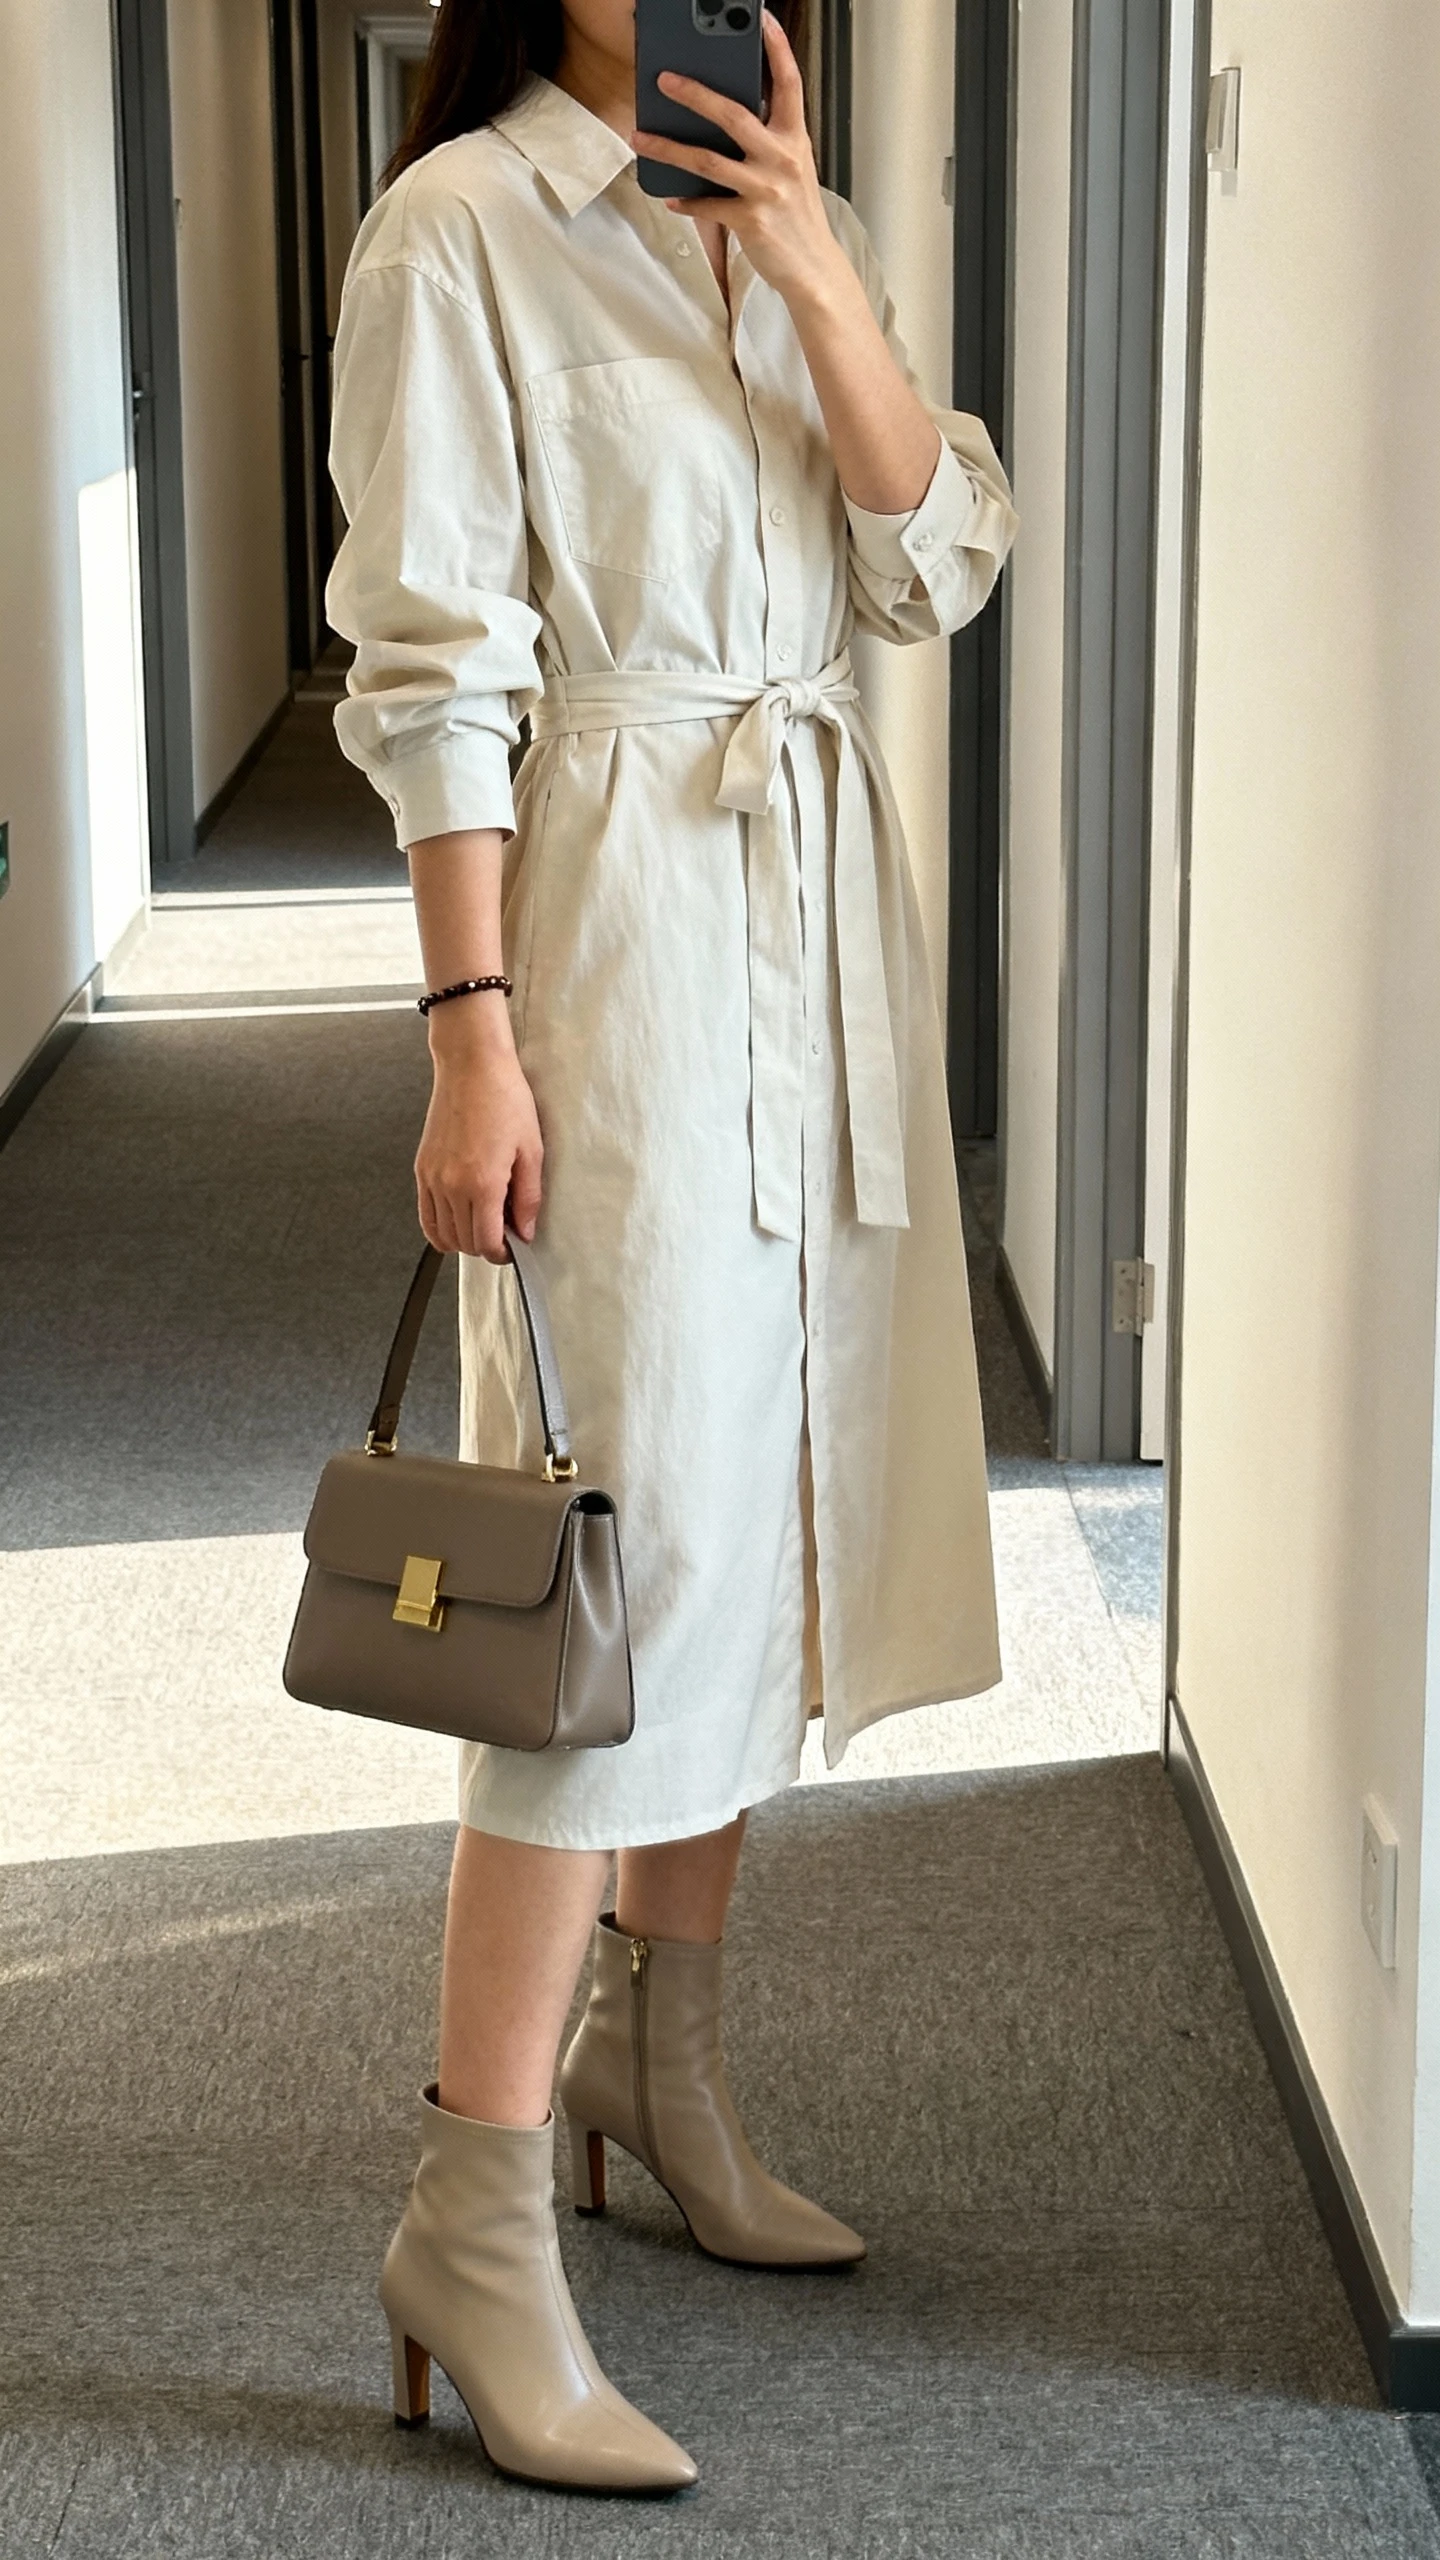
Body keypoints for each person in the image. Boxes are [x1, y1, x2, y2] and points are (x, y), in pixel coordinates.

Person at [325, 0, 1016, 2496]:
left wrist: (820, 273)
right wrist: (470, 1033)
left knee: (768, 1537)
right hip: (615, 949)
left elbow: (932, 554)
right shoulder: (460, 238)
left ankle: (665, 2057)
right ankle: (470, 2221)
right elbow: (434, 674)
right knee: (599, 1581)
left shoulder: (771, 214)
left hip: (815, 928)